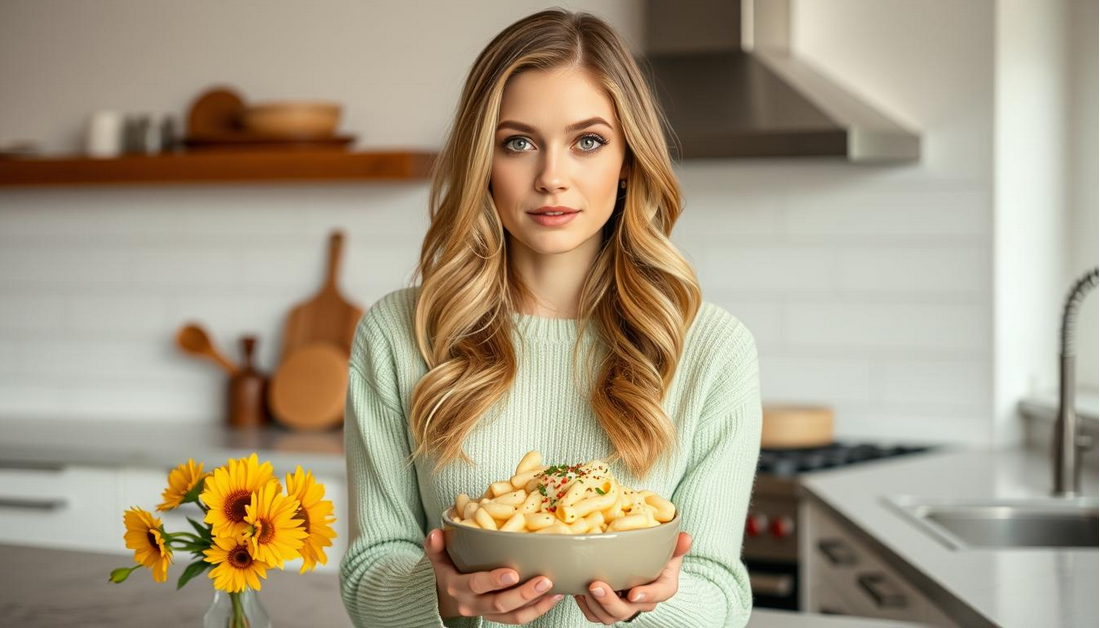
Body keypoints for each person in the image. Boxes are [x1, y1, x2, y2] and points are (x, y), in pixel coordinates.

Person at [339, 7, 761, 627]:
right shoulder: (399, 335)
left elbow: (721, 592)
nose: (551, 178)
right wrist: (440, 601)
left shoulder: (710, 349)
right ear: (483, 161)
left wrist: (646, 611)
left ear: (627, 162)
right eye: (518, 143)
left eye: (587, 141)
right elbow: (371, 567)